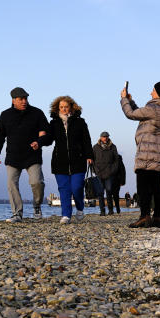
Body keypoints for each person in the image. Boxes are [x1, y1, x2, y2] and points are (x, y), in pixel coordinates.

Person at [121, 80, 160, 228]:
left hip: (148, 154)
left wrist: (124, 99)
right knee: (156, 187)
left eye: (153, 90)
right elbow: (142, 114)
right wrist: (131, 101)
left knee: (143, 186)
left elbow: (131, 114)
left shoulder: (153, 108)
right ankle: (157, 217)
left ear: (158, 93)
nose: (151, 92)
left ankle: (144, 216)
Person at [0, 87, 49, 223]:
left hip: (32, 155)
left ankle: (36, 205)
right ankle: (17, 213)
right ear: (13, 100)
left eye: (26, 98)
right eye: (21, 99)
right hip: (13, 156)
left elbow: (47, 133)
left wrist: (39, 142)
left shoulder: (37, 113)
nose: (24, 101)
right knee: (11, 183)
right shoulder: (5, 115)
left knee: (37, 182)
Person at [39, 95, 94, 224]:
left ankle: (80, 208)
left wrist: (89, 156)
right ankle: (66, 215)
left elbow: (86, 140)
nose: (64, 109)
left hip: (78, 161)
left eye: (66, 107)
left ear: (71, 107)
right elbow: (48, 139)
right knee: (64, 189)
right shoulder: (54, 123)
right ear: (57, 108)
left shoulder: (80, 122)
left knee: (77, 187)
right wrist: (39, 142)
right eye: (61, 107)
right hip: (60, 162)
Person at [92, 131, 120, 215]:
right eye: (104, 136)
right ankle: (102, 211)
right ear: (100, 137)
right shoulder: (95, 147)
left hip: (109, 173)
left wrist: (113, 170)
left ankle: (110, 210)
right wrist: (95, 170)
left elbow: (116, 160)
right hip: (99, 173)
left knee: (109, 191)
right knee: (100, 192)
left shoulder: (113, 147)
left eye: (106, 136)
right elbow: (92, 160)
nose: (105, 138)